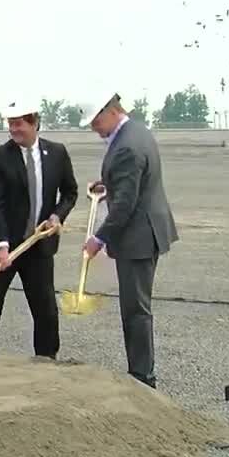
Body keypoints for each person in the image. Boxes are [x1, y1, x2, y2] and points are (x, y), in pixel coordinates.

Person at [0, 95, 78, 358]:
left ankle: (46, 358)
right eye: (11, 124)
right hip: (5, 247)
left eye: (19, 124)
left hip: (39, 246)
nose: (14, 129)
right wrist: (3, 245)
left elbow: (70, 192)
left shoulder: (57, 153)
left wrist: (57, 216)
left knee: (45, 309)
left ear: (35, 123)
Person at [83, 92, 178, 389]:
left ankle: (142, 377)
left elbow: (125, 204)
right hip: (146, 230)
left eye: (95, 121)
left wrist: (98, 238)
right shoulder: (136, 131)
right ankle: (141, 371)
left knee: (135, 308)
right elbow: (130, 181)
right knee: (136, 306)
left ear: (110, 111)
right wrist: (107, 184)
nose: (94, 128)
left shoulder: (126, 146)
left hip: (138, 236)